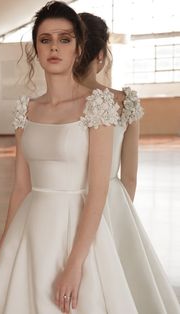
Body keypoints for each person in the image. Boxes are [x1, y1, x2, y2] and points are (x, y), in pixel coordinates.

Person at [75, 12, 180, 314]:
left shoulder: (54, 106)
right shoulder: (125, 101)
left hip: (65, 203)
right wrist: (120, 218)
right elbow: (129, 177)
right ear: (101, 55)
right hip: (111, 203)